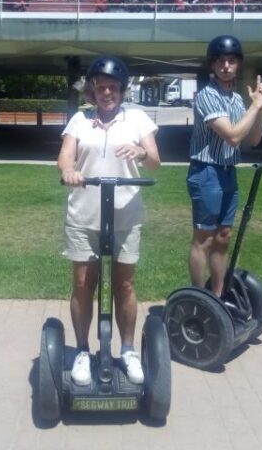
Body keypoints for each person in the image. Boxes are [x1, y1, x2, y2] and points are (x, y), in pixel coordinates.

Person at [58, 55, 160, 386]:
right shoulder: (79, 119)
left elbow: (156, 162)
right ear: (91, 90)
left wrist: (142, 154)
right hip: (83, 215)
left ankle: (128, 350)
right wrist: (69, 171)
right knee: (83, 284)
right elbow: (65, 155)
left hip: (125, 215)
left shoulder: (138, 119)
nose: (106, 93)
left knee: (125, 284)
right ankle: (83, 352)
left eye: (113, 87)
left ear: (122, 90)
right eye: (100, 87)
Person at [187, 35, 262, 298]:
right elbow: (233, 136)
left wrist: (260, 108)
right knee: (205, 239)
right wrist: (255, 105)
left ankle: (218, 295)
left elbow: (254, 139)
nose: (226, 66)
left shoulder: (236, 100)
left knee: (223, 237)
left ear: (238, 65)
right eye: (221, 61)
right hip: (206, 171)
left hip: (227, 171)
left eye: (231, 61)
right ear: (212, 65)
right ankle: (199, 298)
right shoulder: (207, 96)